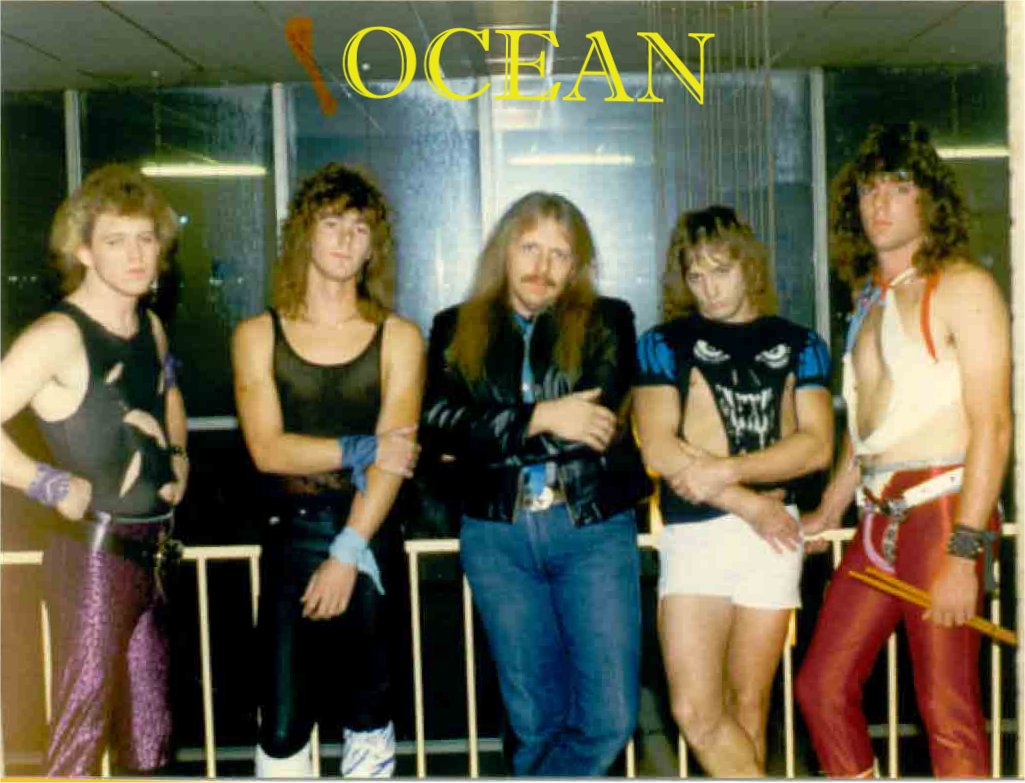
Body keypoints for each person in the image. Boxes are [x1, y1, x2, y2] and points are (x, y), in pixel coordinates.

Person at [795, 123, 1011, 778]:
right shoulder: (868, 298)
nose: (879, 203)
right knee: (821, 686)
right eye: (868, 189)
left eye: (898, 187)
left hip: (943, 512)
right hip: (875, 515)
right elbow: (868, 433)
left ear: (929, 199)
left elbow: (994, 426)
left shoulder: (963, 287)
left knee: (945, 705)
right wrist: (828, 511)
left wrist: (963, 554)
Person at [419, 192, 651, 776]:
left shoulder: (608, 320)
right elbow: (437, 425)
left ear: (576, 266)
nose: (542, 267)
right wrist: (542, 418)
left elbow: (595, 424)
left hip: (591, 529)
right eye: (529, 247)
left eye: (559, 254)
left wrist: (488, 439)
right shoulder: (453, 327)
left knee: (610, 718)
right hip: (497, 537)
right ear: (504, 249)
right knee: (533, 722)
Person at [231, 163, 423, 778]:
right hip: (290, 534)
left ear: (373, 247)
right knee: (282, 728)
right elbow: (269, 451)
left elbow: (397, 461)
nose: (345, 239)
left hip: (370, 533)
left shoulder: (399, 336)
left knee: (369, 718)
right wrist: (364, 448)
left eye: (360, 229)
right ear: (305, 233)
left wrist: (348, 549)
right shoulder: (257, 334)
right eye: (333, 223)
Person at [0, 164, 188, 776]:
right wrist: (44, 481)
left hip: (153, 554)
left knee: (152, 747)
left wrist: (178, 457)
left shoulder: (150, 327)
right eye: (116, 240)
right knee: (78, 744)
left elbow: (168, 396)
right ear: (82, 251)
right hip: (92, 558)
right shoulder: (58, 335)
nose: (136, 255)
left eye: (146, 239)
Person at [633, 205, 833, 776]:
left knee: (749, 706)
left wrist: (722, 470)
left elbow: (816, 446)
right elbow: (659, 450)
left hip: (773, 535)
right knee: (696, 710)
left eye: (720, 271)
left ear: (749, 266)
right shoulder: (663, 342)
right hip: (701, 532)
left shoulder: (801, 342)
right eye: (696, 275)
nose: (709, 288)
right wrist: (746, 501)